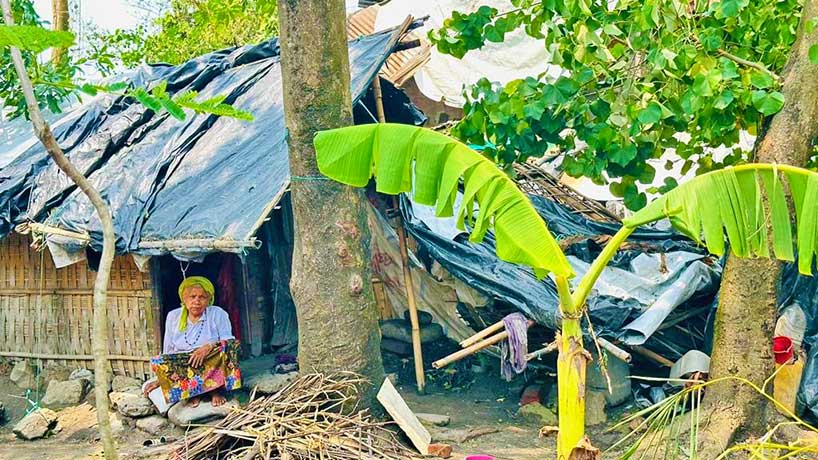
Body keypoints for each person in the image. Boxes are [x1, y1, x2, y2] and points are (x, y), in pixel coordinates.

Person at [143, 276, 238, 408]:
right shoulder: (173, 316)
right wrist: (162, 378)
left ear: (209, 300)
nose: (197, 301)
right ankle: (196, 392)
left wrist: (208, 347)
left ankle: (213, 390)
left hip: (210, 361)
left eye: (202, 297)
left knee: (229, 348)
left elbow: (228, 340)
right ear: (184, 299)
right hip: (184, 365)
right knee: (160, 360)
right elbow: (168, 349)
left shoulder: (218, 314)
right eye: (192, 297)